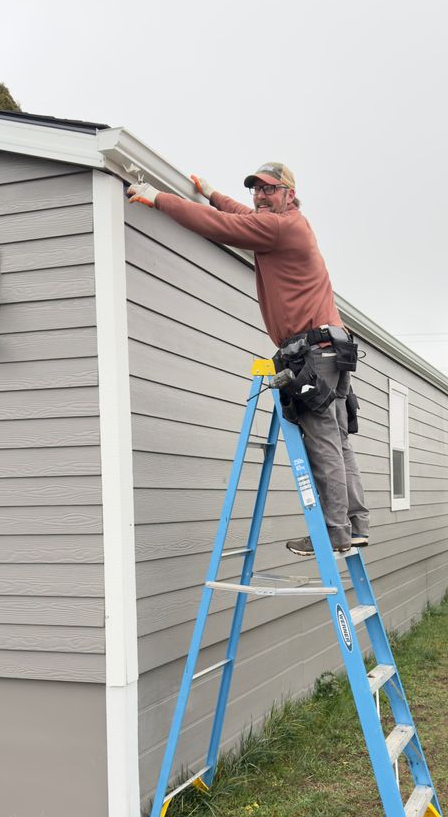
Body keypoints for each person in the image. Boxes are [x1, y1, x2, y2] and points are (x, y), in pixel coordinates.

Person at [127, 163, 369, 557]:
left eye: (269, 189)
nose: (260, 196)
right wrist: (212, 193)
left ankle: (335, 535)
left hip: (314, 352)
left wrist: (158, 199)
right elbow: (242, 214)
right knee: (338, 441)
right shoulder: (285, 223)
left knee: (323, 442)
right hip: (332, 349)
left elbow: (221, 226)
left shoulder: (280, 228)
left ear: (289, 194)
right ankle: (355, 527)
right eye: (256, 189)